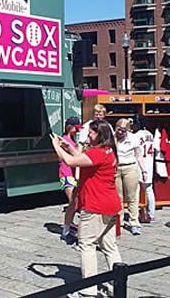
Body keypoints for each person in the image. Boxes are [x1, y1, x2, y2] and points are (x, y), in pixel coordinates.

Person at [52, 120, 122, 298]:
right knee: (109, 246)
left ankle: (88, 290)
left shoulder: (98, 153)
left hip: (95, 205)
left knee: (86, 245)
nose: (88, 135)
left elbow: (69, 161)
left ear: (100, 135)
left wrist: (56, 147)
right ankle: (118, 284)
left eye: (92, 133)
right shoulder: (108, 151)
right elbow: (80, 158)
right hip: (110, 204)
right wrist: (67, 145)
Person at [115, 118, 145, 235]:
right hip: (116, 167)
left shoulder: (133, 138)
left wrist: (144, 171)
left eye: (123, 130)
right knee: (118, 197)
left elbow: (139, 155)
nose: (120, 132)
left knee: (132, 196)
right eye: (119, 129)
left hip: (130, 167)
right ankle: (119, 222)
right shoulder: (112, 137)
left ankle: (134, 222)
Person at [59, 116, 82, 244]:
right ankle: (66, 231)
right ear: (69, 127)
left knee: (74, 203)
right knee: (73, 202)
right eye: (75, 128)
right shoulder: (64, 140)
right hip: (66, 173)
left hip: (72, 174)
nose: (77, 131)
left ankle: (69, 226)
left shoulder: (71, 139)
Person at [133, 119, 156, 223]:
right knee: (149, 191)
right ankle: (151, 214)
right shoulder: (150, 134)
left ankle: (135, 214)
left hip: (139, 164)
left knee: (136, 191)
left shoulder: (136, 135)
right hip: (149, 164)